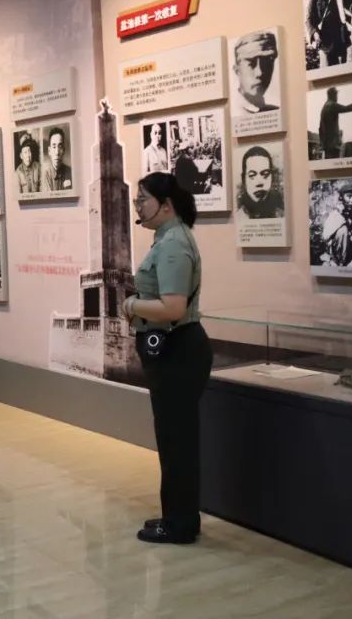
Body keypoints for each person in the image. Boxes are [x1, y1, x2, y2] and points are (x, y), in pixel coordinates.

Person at [122, 173, 210, 544]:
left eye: (143, 199)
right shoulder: (167, 237)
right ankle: (178, 517)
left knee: (177, 443)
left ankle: (179, 525)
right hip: (173, 350)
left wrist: (131, 305)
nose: (138, 206)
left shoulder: (173, 244)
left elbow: (173, 308)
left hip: (178, 350)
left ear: (166, 204)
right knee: (175, 440)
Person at [307, 0, 349, 68]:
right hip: (325, 44)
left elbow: (346, 3)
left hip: (340, 41)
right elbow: (309, 19)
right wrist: (315, 34)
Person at [232, 32, 279, 113]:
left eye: (266, 63)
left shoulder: (275, 111)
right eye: (251, 64)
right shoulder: (232, 111)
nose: (259, 73)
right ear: (237, 70)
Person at [235, 146, 284, 220]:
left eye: (265, 174)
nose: (259, 183)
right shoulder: (238, 218)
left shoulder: (281, 216)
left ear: (272, 177)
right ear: (243, 179)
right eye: (252, 175)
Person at [321, 180, 352, 267]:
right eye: (349, 196)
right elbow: (325, 236)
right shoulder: (335, 214)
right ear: (341, 198)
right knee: (342, 230)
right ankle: (338, 263)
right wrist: (340, 216)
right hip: (338, 255)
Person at [319, 86, 352, 160]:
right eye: (336, 95)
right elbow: (347, 108)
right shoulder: (331, 105)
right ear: (333, 95)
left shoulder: (324, 107)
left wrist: (323, 144)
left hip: (327, 145)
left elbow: (320, 128)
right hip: (333, 145)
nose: (337, 97)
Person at [40, 127, 73, 191]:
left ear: (63, 150)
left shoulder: (70, 172)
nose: (57, 152)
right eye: (54, 147)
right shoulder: (44, 175)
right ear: (49, 151)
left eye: (60, 147)